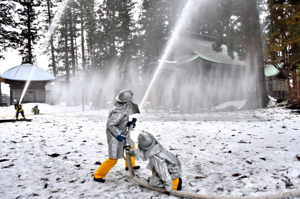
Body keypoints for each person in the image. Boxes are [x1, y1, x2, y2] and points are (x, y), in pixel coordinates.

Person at [94, 89, 140, 183]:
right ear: (126, 102)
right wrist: (118, 134)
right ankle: (98, 175)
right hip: (114, 136)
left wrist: (128, 123)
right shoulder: (118, 112)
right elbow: (110, 124)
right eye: (130, 100)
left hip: (122, 133)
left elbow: (120, 122)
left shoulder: (122, 108)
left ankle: (130, 165)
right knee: (113, 158)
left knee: (131, 147)